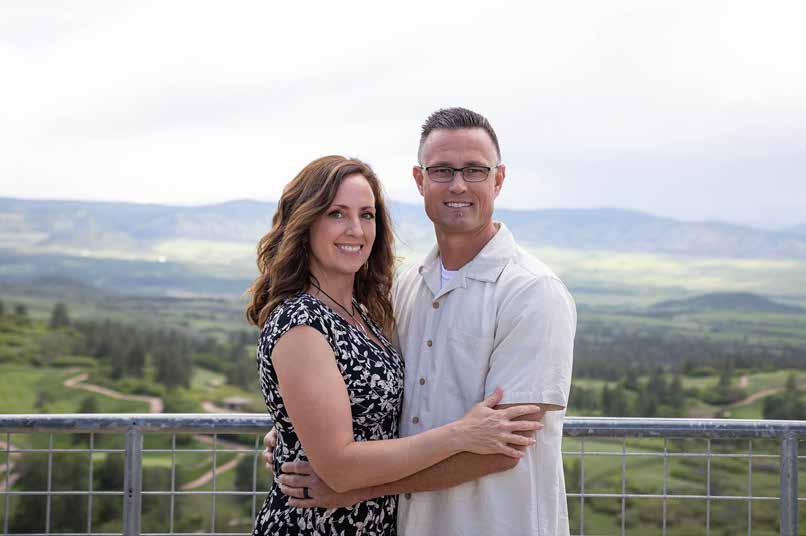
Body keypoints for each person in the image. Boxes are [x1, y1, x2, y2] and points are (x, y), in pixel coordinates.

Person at [265, 109, 576, 535]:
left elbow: (502, 450)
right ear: (420, 179)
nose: (458, 185)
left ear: (498, 179)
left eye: (475, 170)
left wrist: (355, 489)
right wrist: (295, 431)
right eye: (443, 170)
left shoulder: (533, 292)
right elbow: (362, 391)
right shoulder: (406, 286)